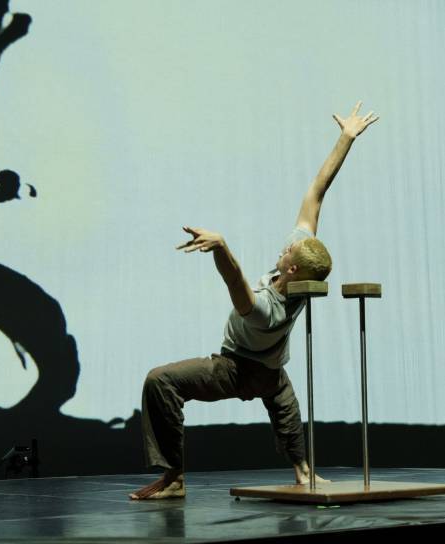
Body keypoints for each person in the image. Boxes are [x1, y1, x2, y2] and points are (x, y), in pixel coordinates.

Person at [129, 102, 379, 499]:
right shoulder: (299, 266)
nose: (282, 251)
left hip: (237, 368)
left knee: (161, 381)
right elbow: (317, 190)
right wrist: (345, 138)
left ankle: (174, 477)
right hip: (272, 371)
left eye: (287, 255)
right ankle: (302, 470)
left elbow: (236, 281)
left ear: (293, 270)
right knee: (282, 400)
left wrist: (221, 246)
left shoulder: (267, 310)